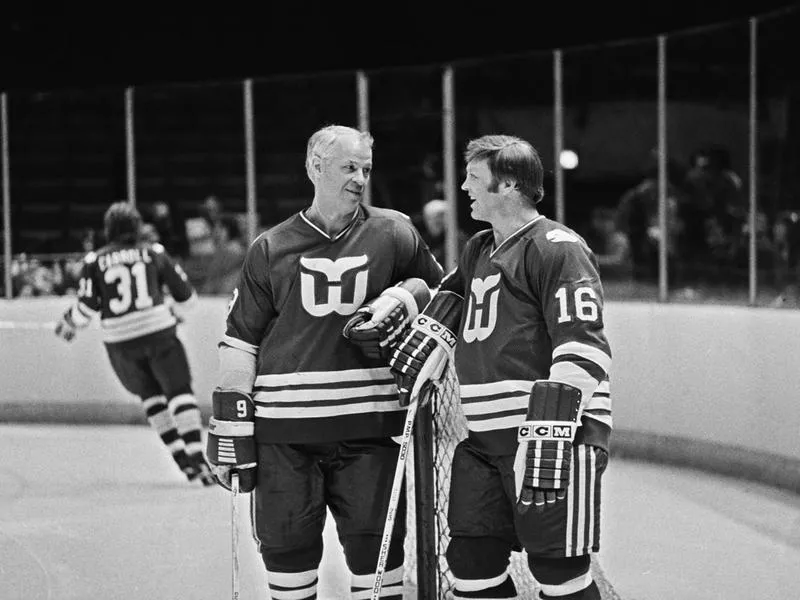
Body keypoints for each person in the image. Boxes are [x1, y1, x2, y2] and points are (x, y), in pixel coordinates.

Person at [204, 125, 443, 598]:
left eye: (366, 169)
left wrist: (410, 295)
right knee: (288, 560)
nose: (360, 178)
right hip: (284, 439)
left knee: (377, 567)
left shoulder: (394, 232)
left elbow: (444, 296)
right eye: (348, 167)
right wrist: (231, 421)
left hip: (369, 431)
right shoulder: (270, 248)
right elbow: (240, 342)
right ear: (315, 168)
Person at [388, 135, 612, 600]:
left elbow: (584, 346)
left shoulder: (558, 247)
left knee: (558, 570)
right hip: (486, 441)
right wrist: (419, 344)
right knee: (470, 565)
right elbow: (449, 302)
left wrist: (550, 428)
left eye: (473, 178)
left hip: (551, 434)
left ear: (508, 183)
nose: (464, 188)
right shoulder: (478, 249)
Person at [54, 201, 214, 486]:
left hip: (120, 344)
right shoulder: (154, 253)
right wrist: (173, 312)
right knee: (179, 393)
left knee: (151, 398)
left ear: (108, 230)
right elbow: (187, 298)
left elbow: (86, 308)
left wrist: (68, 324)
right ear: (138, 227)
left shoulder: (95, 261)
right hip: (159, 333)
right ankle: (197, 456)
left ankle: (182, 460)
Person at [415, 198, 469, 269]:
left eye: (439, 217)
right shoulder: (424, 242)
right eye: (429, 218)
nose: (433, 222)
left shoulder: (459, 241)